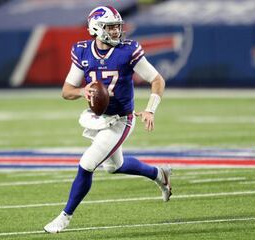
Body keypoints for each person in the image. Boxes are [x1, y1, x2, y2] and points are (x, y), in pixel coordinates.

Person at [44, 5, 171, 234]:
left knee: (87, 163)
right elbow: (66, 90)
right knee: (115, 166)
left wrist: (150, 109)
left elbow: (157, 80)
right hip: (99, 117)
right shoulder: (82, 51)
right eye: (110, 27)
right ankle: (159, 174)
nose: (116, 32)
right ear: (96, 28)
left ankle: (64, 217)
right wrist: (83, 92)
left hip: (122, 119)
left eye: (117, 27)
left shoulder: (128, 51)